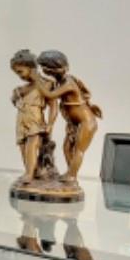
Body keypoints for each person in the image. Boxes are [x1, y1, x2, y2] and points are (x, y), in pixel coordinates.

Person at [37, 49, 102, 182]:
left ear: (52, 69)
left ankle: (72, 175)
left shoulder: (68, 83)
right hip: (75, 123)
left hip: (86, 122)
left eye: (44, 68)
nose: (43, 70)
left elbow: (50, 95)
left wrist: (35, 79)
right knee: (67, 148)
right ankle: (70, 173)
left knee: (79, 150)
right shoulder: (60, 81)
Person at [10, 49, 54, 182]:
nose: (19, 76)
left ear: (31, 68)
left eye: (20, 71)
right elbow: (14, 101)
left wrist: (50, 123)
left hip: (35, 119)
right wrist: (16, 96)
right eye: (16, 73)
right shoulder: (22, 89)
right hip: (21, 120)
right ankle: (31, 172)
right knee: (23, 147)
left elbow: (53, 106)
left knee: (32, 145)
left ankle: (29, 173)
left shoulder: (46, 84)